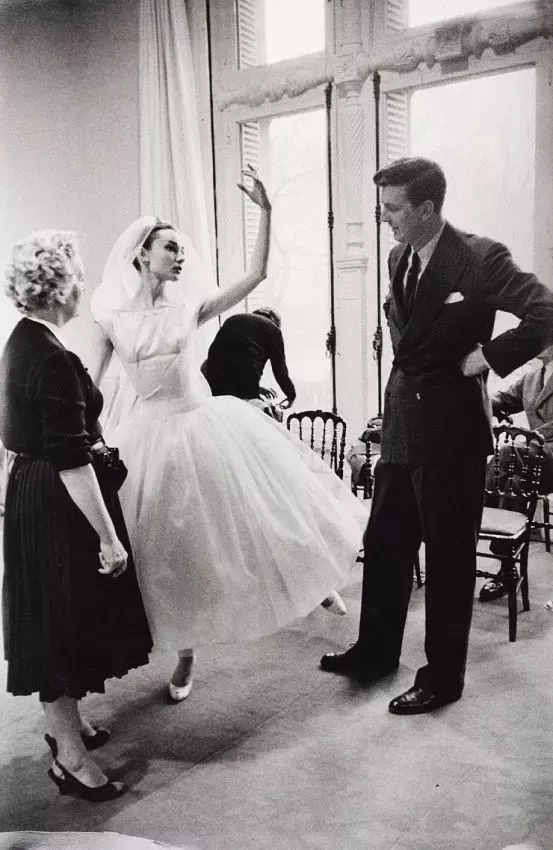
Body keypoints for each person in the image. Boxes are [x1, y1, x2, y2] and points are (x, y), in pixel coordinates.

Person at [89, 169, 367, 702]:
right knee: (171, 554)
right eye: (170, 248)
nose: (180, 256)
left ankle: (312, 581)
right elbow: (91, 386)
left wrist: (266, 212)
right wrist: (89, 434)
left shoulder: (187, 308)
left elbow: (256, 275)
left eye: (180, 249)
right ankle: (185, 655)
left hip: (202, 422)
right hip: (148, 436)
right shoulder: (112, 318)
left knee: (262, 512)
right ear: (142, 254)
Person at [320, 157, 553, 714]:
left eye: (393, 208)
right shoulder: (399, 256)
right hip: (403, 425)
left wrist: (488, 356)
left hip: (451, 433)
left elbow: (546, 312)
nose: (384, 218)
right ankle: (376, 651)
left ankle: (442, 679)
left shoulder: (480, 257)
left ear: (426, 208)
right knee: (385, 546)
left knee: (448, 560)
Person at [0, 230, 153, 800]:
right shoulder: (53, 356)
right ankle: (69, 756)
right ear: (60, 288)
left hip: (32, 493)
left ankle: (68, 726)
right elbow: (70, 457)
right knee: (59, 625)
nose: (84, 285)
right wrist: (109, 538)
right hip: (56, 501)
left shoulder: (22, 341)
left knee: (55, 614)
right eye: (78, 276)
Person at [479, 343, 553, 602]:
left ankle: (475, 516)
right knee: (514, 480)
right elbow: (504, 399)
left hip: (550, 457)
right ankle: (507, 563)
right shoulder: (532, 377)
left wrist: (531, 436)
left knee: (508, 453)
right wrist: (477, 402)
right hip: (532, 460)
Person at [202, 307, 296, 408]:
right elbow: (280, 370)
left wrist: (257, 389)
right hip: (244, 381)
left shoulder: (233, 319)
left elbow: (226, 357)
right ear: (275, 322)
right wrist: (291, 395)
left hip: (211, 379)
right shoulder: (273, 329)